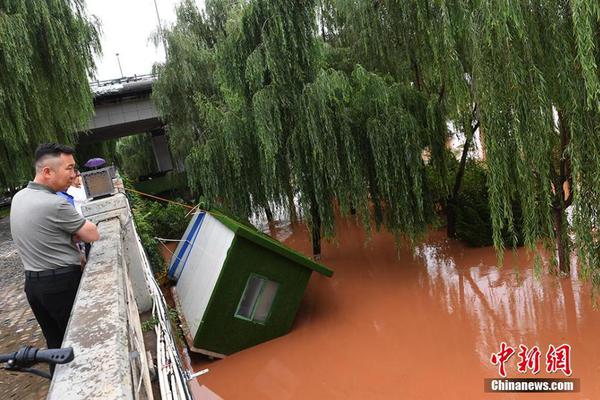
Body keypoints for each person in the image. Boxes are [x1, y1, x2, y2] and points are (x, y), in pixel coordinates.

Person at [10, 143, 100, 364]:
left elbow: (43, 234)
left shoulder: (20, 197)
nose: (73, 175)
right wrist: (76, 234)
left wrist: (68, 236)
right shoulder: (54, 203)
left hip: (33, 285)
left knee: (55, 346)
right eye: (69, 169)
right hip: (61, 285)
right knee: (79, 344)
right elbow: (92, 234)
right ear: (47, 171)